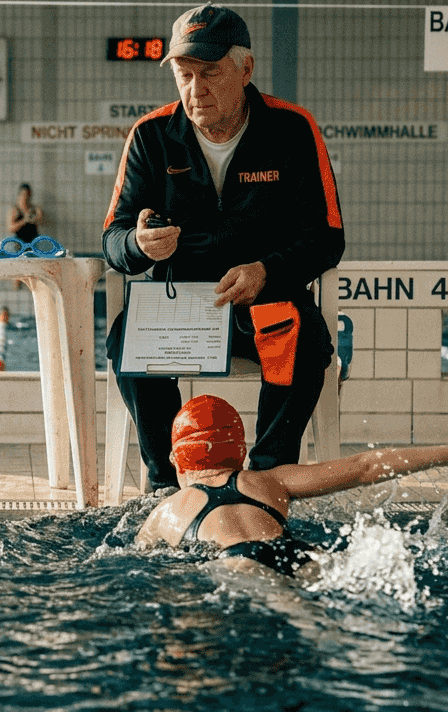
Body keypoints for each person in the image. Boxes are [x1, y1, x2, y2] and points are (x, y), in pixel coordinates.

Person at [102, 4, 344, 489]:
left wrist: (267, 271)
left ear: (246, 69)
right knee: (128, 338)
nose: (197, 89)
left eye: (211, 73)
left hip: (263, 299)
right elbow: (113, 239)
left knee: (304, 338)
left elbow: (326, 237)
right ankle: (168, 484)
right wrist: (140, 245)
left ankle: (268, 477)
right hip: (181, 306)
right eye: (185, 75)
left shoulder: (292, 129)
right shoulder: (152, 136)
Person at [135, 395, 448, 578]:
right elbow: (364, 467)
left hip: (237, 567)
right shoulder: (270, 480)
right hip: (298, 554)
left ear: (175, 461)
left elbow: (139, 561)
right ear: (241, 451)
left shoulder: (164, 512)